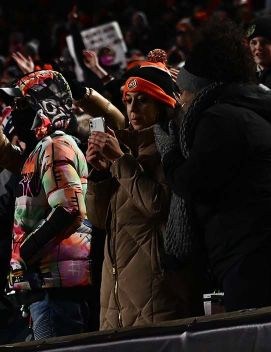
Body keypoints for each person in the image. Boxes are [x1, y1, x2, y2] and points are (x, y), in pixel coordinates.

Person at [156, 20, 271, 311]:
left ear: (198, 89)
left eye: (182, 92)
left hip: (268, 252)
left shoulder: (219, 119)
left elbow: (191, 183)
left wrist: (169, 150)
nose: (180, 102)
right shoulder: (248, 111)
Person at [85, 51, 199, 330]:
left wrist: (119, 161)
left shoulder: (173, 147)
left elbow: (158, 206)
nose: (133, 109)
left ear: (162, 103)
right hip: (115, 298)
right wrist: (99, 174)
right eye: (128, 101)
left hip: (160, 295)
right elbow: (99, 221)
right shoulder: (123, 148)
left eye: (142, 100)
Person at [1, 70, 92, 339]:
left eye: (21, 105)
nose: (14, 114)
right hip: (48, 284)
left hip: (57, 287)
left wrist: (26, 252)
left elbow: (70, 208)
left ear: (46, 107)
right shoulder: (41, 149)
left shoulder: (55, 146)